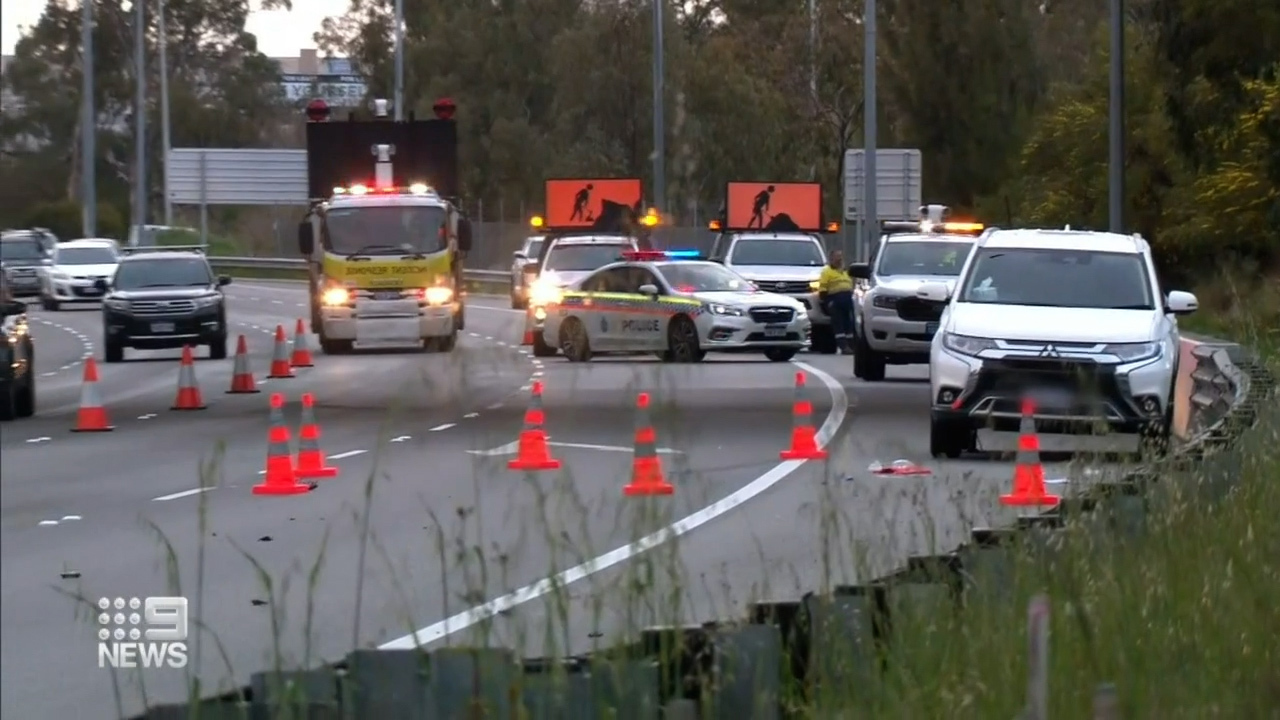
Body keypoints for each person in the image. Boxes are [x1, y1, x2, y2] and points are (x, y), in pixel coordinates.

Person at [818, 249, 856, 354]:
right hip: (834, 299)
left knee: (849, 322)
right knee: (838, 323)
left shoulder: (845, 271)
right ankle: (843, 346)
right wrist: (827, 302)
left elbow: (850, 285)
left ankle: (851, 345)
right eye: (837, 256)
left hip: (847, 298)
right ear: (831, 258)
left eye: (841, 256)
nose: (840, 259)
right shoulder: (827, 272)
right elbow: (823, 290)